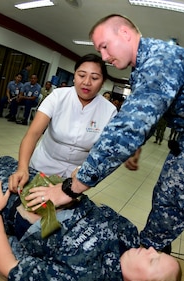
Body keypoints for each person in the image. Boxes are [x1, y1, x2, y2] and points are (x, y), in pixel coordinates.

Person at [37, 14, 184, 255]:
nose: (104, 57)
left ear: (125, 34)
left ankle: (149, 262)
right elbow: (145, 114)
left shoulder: (160, 62)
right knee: (165, 197)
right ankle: (151, 251)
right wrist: (136, 146)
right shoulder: (142, 69)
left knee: (176, 199)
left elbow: (126, 130)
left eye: (105, 46)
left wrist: (71, 188)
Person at [0, 134, 181, 281]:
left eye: (153, 261)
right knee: (7, 163)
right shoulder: (129, 237)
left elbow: (9, 267)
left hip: (12, 205)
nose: (151, 250)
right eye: (158, 253)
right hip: (46, 189)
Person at [9, 53, 117, 191]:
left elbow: (106, 152)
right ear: (74, 75)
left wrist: (85, 173)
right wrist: (22, 168)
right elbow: (33, 134)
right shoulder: (58, 96)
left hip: (77, 174)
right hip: (44, 164)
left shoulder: (110, 111)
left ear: (103, 82)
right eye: (82, 75)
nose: (87, 82)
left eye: (94, 78)